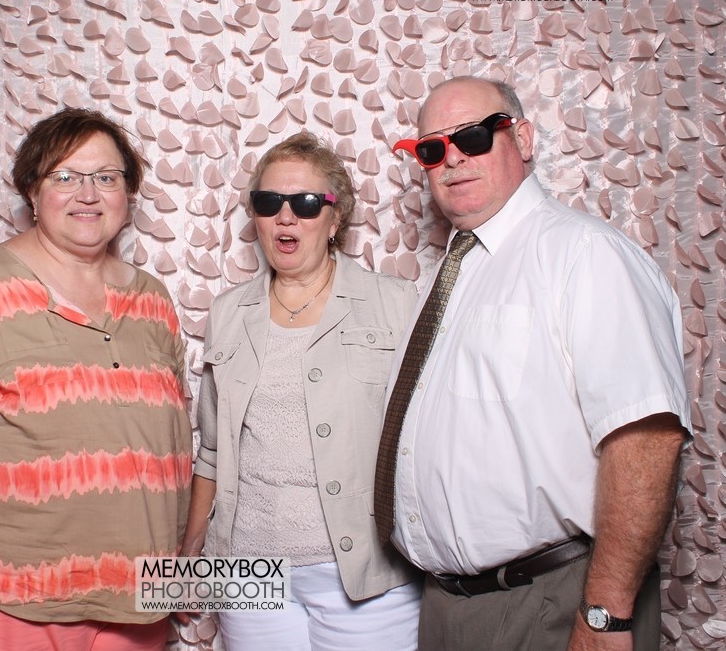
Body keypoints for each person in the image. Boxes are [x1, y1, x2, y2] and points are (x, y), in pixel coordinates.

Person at [375, 75, 690, 651]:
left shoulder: (585, 255)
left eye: (472, 136)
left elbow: (646, 438)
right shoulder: (452, 273)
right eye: (432, 149)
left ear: (522, 138)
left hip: (551, 602)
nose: (452, 159)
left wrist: (605, 616)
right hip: (448, 606)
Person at [0, 107, 192, 651]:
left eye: (106, 177)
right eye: (65, 176)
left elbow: (171, 450)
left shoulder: (153, 300)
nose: (88, 194)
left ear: (128, 194)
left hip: (139, 604)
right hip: (11, 602)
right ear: (32, 191)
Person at [182, 131, 422, 651]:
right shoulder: (228, 312)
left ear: (335, 219)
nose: (285, 217)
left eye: (307, 203)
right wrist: (190, 555)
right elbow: (213, 451)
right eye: (269, 202)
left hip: (364, 571)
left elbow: (425, 444)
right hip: (249, 568)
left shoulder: (396, 304)